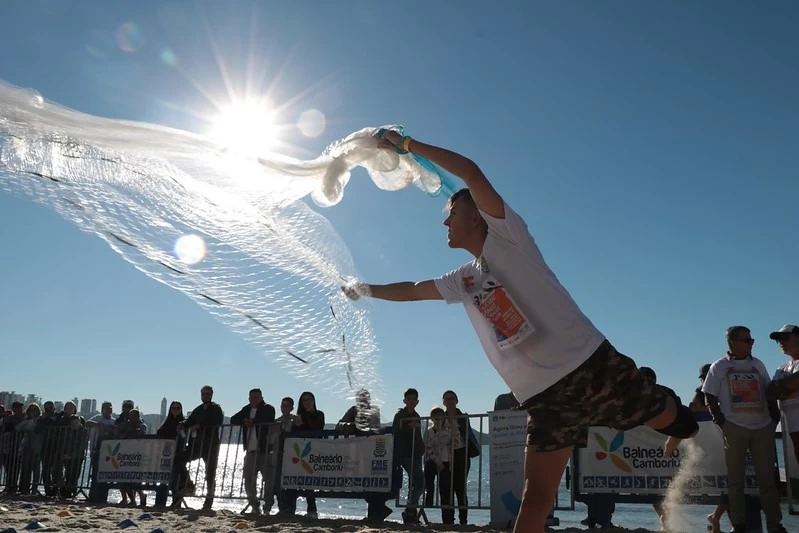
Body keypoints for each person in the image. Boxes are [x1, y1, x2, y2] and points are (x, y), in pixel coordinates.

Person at [342, 129, 697, 533]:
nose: (445, 220)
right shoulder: (464, 278)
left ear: (475, 215)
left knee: (664, 414)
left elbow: (472, 173)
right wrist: (365, 289)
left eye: (452, 213)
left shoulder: (509, 237)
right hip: (545, 399)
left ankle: (682, 424)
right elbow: (412, 290)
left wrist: (408, 146)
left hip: (590, 364)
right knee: (536, 496)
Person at [702, 326, 786, 533]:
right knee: (736, 479)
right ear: (733, 343)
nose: (751, 344)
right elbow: (709, 395)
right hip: (734, 428)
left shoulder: (757, 364)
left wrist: (773, 419)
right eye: (747, 340)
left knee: (767, 479)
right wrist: (721, 421)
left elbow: (768, 391)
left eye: (751, 340)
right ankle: (739, 524)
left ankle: (775, 525)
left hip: (762, 427)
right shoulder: (719, 366)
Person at [689, 364, 729, 533]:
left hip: (727, 439)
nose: (706, 379)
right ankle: (717, 519)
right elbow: (693, 407)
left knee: (732, 485)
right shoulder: (701, 391)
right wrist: (717, 409)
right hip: (711, 444)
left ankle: (716, 518)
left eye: (708, 375)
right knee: (726, 485)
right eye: (704, 377)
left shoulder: (725, 387)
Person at [230, 388, 276, 515]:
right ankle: (255, 505)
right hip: (250, 451)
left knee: (268, 481)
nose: (254, 400)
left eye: (256, 397)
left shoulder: (268, 408)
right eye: (251, 397)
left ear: (261, 397)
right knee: (249, 480)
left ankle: (268, 507)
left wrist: (252, 422)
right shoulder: (246, 409)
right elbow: (233, 419)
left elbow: (268, 418)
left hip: (265, 450)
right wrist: (244, 421)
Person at [178, 385, 224, 511]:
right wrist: (182, 424)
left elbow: (217, 421)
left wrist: (200, 425)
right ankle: (189, 483)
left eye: (208, 394)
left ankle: (208, 502)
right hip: (196, 445)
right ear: (201, 394)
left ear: (212, 395)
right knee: (180, 460)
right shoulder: (197, 409)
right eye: (204, 394)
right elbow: (189, 421)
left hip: (211, 446)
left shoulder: (216, 408)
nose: (206, 396)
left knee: (210, 474)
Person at [282, 391, 325, 518]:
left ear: (313, 401)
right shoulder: (297, 416)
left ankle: (312, 510)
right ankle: (290, 509)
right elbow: (295, 432)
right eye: (304, 400)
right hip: (298, 452)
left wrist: (304, 420)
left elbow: (318, 428)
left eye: (309, 399)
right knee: (294, 480)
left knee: (310, 483)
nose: (307, 402)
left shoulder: (319, 414)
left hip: (313, 451)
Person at [392, 388, 425, 524]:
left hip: (416, 454)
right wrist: (407, 427)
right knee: (421, 481)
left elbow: (417, 435)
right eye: (409, 399)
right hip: (405, 454)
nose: (411, 401)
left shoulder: (416, 415)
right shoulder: (400, 415)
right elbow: (395, 432)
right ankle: (410, 510)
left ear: (417, 401)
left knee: (415, 483)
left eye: (414, 399)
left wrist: (422, 448)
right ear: (405, 401)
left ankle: (410, 513)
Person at [424, 406, 461, 524]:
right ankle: (428, 499)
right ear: (432, 419)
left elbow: (456, 443)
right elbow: (428, 448)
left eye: (441, 418)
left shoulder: (448, 431)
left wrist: (455, 429)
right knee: (428, 480)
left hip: (446, 461)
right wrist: (437, 461)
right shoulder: (428, 431)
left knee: (445, 490)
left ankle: (448, 519)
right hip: (432, 461)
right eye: (436, 418)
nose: (438, 421)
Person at [769, 325, 799, 462]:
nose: (781, 342)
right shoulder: (781, 368)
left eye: (785, 338)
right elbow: (770, 393)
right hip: (792, 427)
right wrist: (788, 387)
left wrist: (782, 387)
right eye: (778, 340)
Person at [157, 401, 192, 506]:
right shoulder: (167, 422)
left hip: (178, 453)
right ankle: (168, 501)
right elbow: (160, 432)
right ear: (170, 410)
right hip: (167, 454)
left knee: (177, 478)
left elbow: (182, 435)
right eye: (173, 408)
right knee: (170, 478)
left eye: (178, 408)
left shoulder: (183, 422)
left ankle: (176, 501)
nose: (175, 410)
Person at [117, 409, 148, 507]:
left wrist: (130, 431)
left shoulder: (142, 425)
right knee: (123, 478)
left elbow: (140, 433)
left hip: (137, 455)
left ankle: (141, 495)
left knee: (134, 479)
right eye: (129, 416)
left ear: (138, 417)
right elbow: (120, 434)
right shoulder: (126, 424)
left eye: (133, 416)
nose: (130, 419)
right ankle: (132, 500)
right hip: (126, 454)